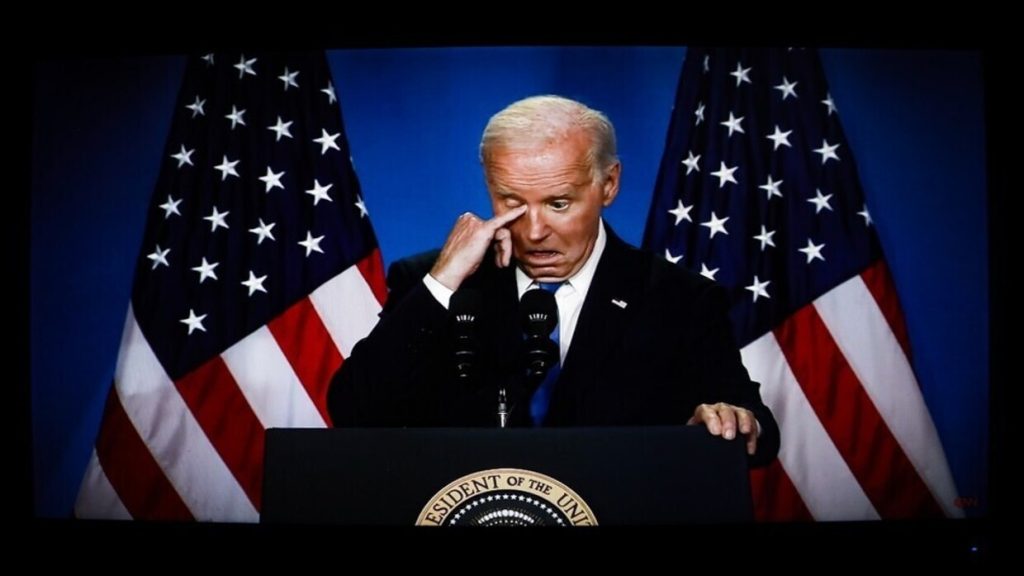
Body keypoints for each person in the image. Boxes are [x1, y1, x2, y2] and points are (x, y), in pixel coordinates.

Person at [328, 95, 779, 467]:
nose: (534, 230)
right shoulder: (432, 283)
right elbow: (353, 411)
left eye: (558, 203)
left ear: (609, 184)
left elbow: (758, 431)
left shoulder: (679, 298)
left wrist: (732, 420)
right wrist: (443, 281)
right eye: (512, 202)